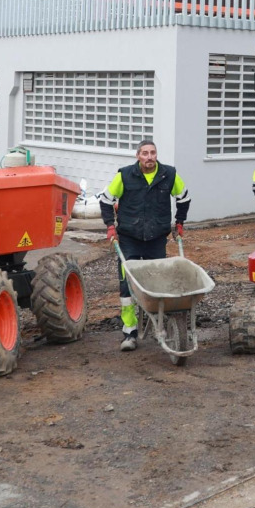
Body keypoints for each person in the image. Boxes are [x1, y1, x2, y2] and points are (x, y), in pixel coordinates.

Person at [100, 140, 191, 351]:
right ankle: (129, 332)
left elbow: (184, 197)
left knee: (157, 283)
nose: (149, 157)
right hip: (129, 238)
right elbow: (106, 201)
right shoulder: (124, 175)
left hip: (156, 238)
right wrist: (110, 227)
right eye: (145, 153)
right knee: (127, 285)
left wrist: (179, 222)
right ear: (137, 156)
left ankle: (160, 325)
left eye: (153, 153)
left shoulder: (168, 174)